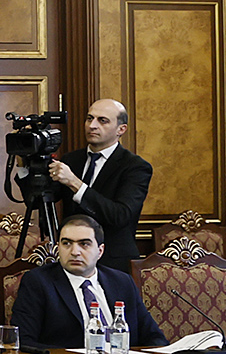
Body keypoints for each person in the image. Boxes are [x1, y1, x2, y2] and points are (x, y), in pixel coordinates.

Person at [9, 215, 165, 352]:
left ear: (100, 251)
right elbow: (24, 341)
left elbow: (154, 337)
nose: (75, 252)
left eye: (84, 244)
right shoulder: (38, 282)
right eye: (66, 243)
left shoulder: (122, 282)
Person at [50, 98, 151, 272]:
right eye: (89, 119)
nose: (92, 126)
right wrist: (23, 165)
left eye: (102, 120)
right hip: (70, 258)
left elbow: (120, 215)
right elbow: (39, 200)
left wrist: (75, 183)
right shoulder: (71, 160)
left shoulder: (135, 167)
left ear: (121, 129)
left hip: (113, 263)